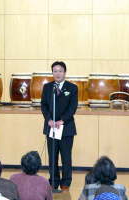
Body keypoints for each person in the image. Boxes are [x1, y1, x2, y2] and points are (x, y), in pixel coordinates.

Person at [41, 61, 78, 191]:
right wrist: (49, 120)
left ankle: (66, 183)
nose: (57, 73)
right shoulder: (47, 87)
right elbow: (44, 106)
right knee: (52, 157)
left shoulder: (72, 88)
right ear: (52, 73)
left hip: (66, 128)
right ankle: (53, 182)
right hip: (51, 128)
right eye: (55, 71)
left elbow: (72, 108)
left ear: (65, 72)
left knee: (66, 157)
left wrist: (62, 121)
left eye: (60, 71)